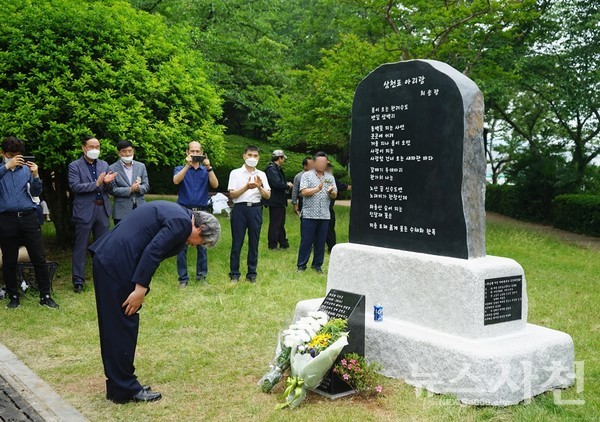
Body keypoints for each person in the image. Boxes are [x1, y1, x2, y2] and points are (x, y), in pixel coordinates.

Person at [89, 200, 221, 404]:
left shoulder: (178, 213)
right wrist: (140, 289)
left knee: (116, 325)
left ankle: (118, 387)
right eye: (200, 242)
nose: (195, 246)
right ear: (200, 228)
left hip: (111, 259)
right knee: (123, 324)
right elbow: (154, 251)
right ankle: (124, 389)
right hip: (116, 264)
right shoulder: (181, 223)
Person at [0, 136, 59, 309]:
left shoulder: (26, 169)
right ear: (3, 153)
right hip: (6, 219)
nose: (15, 158)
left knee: (38, 257)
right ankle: (13, 296)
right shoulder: (2, 168)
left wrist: (35, 175)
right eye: (11, 155)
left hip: (28, 217)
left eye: (18, 154)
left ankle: (45, 295)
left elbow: (36, 192)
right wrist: (6, 167)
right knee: (9, 259)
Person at [68, 135, 116, 293]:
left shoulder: (104, 164)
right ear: (83, 148)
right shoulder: (75, 166)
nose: (95, 150)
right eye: (91, 147)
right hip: (84, 211)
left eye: (97, 147)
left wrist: (108, 183)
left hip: (102, 209)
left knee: (103, 246)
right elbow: (75, 187)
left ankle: (102, 278)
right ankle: (78, 281)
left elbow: (109, 189)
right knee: (81, 246)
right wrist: (96, 183)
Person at [173, 141, 218, 288]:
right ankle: (183, 279)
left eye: (197, 151)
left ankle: (201, 276)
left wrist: (209, 167)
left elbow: (215, 185)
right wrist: (187, 165)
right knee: (181, 245)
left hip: (201, 210)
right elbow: (176, 181)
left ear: (202, 153)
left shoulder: (206, 171)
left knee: (202, 245)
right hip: (183, 209)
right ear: (187, 152)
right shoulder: (180, 168)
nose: (195, 154)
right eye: (192, 151)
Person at [227, 145, 271, 283]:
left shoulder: (262, 175)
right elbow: (233, 194)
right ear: (244, 156)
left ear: (259, 158)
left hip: (256, 209)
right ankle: (234, 273)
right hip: (240, 208)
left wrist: (259, 187)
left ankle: (252, 273)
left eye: (255, 156)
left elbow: (267, 195)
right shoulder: (235, 173)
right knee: (237, 242)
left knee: (254, 242)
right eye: (250, 155)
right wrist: (246, 187)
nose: (252, 158)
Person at [297, 152, 337, 274]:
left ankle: (317, 265)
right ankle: (301, 266)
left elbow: (335, 195)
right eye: (319, 162)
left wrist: (331, 192)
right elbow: (303, 192)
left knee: (321, 241)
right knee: (307, 241)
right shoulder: (307, 176)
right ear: (314, 163)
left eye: (324, 162)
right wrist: (317, 189)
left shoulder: (330, 177)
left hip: (324, 214)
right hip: (309, 214)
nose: (321, 164)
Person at [109, 140, 149, 226]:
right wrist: (130, 189)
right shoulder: (112, 168)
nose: (127, 154)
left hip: (140, 207)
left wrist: (139, 188)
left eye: (130, 151)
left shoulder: (141, 166)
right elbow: (112, 190)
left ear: (133, 151)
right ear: (118, 153)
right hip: (121, 210)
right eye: (124, 151)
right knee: (122, 236)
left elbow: (146, 185)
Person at [265, 150, 293, 250]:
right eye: (283, 158)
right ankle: (272, 245)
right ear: (280, 158)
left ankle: (283, 243)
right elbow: (277, 183)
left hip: (279, 200)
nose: (284, 160)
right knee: (275, 223)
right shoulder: (272, 169)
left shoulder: (276, 168)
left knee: (280, 222)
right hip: (275, 200)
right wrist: (287, 185)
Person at [325, 162, 351, 253]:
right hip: (324, 209)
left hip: (329, 208)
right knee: (327, 229)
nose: (330, 170)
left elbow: (339, 186)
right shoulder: (324, 178)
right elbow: (341, 185)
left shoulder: (331, 178)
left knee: (330, 229)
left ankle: (331, 247)